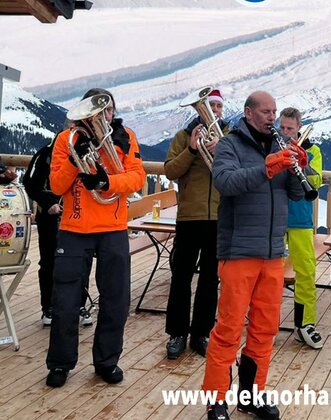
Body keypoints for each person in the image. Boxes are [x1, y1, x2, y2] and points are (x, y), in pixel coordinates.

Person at [202, 91, 306, 420]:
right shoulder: (230, 145)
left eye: (274, 111)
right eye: (265, 111)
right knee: (228, 329)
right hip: (239, 252)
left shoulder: (279, 145)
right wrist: (268, 167)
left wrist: (296, 169)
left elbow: (296, 194)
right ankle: (216, 400)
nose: (271, 117)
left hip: (273, 251)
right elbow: (226, 182)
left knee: (265, 329)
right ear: (248, 113)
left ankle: (252, 395)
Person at [45, 88, 146, 388]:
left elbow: (137, 177)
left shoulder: (125, 136)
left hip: (113, 228)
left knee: (116, 299)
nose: (103, 116)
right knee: (65, 301)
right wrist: (77, 162)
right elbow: (56, 184)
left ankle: (106, 361)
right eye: (97, 111)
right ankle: (60, 364)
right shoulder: (67, 140)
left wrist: (106, 181)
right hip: (74, 230)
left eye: (108, 110)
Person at [163, 89, 229, 359]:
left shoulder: (230, 137)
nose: (213, 110)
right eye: (209, 105)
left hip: (219, 216)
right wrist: (192, 149)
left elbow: (237, 169)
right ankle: (177, 333)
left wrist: (221, 149)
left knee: (210, 279)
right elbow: (170, 170)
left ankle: (201, 332)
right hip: (189, 216)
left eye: (217, 106)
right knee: (180, 277)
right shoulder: (182, 137)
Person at [22, 137, 94, 327]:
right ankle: (49, 307)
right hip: (51, 216)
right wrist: (48, 204)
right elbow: (30, 183)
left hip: (78, 215)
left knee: (82, 261)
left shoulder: (88, 152)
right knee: (49, 262)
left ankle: (79, 305)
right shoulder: (46, 153)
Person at [279, 107, 324, 349]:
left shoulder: (312, 150)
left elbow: (316, 181)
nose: (285, 133)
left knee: (305, 271)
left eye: (290, 129)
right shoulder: (272, 145)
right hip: (274, 217)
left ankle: (305, 323)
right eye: (282, 128)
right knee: (269, 272)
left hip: (300, 218)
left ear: (299, 129)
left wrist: (299, 158)